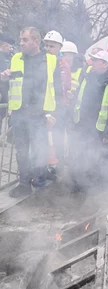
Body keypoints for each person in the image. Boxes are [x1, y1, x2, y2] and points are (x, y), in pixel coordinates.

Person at [0, 27, 60, 198]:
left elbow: (57, 89)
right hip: (19, 113)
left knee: (39, 151)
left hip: (40, 114)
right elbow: (8, 85)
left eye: (25, 40)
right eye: (20, 40)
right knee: (21, 151)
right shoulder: (16, 58)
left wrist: (54, 114)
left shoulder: (50, 60)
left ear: (35, 41)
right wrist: (3, 78)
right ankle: (24, 184)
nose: (21, 43)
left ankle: (40, 185)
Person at [69, 50, 108, 191]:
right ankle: (76, 182)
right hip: (81, 122)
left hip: (99, 127)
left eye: (95, 60)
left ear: (105, 64)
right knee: (78, 152)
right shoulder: (86, 77)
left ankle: (90, 185)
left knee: (94, 155)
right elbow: (77, 99)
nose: (91, 62)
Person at [43, 31, 72, 176]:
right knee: (46, 139)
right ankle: (46, 166)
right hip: (46, 107)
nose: (48, 48)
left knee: (57, 137)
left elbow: (63, 89)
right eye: (46, 45)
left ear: (59, 47)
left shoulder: (62, 65)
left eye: (52, 46)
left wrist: (55, 112)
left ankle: (56, 167)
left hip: (59, 108)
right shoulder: (43, 60)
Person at [0, 33, 14, 135]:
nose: (11, 49)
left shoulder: (10, 57)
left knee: (4, 115)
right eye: (9, 47)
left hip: (7, 91)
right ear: (3, 45)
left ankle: (8, 137)